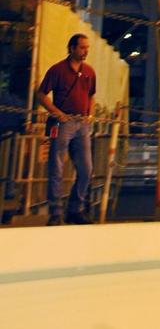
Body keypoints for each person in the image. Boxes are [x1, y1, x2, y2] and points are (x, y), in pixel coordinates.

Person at [37, 34, 96, 225]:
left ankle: (75, 209)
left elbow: (91, 95)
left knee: (86, 169)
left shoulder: (89, 72)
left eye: (87, 48)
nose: (85, 51)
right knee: (57, 167)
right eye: (82, 48)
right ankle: (56, 212)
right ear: (71, 48)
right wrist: (56, 112)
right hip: (62, 123)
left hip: (81, 124)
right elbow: (41, 94)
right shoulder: (58, 70)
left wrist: (90, 115)